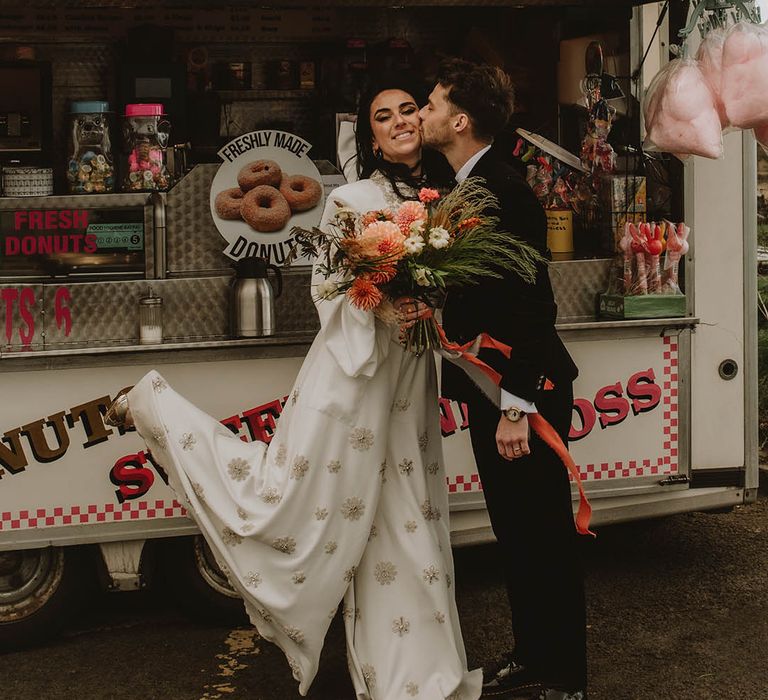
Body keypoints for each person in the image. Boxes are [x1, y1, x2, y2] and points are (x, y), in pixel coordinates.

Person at [104, 77, 482, 700]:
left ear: (427, 119)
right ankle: (158, 410)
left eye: (409, 110)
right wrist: (382, 312)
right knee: (293, 502)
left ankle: (409, 675)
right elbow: (328, 287)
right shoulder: (351, 199)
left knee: (407, 512)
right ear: (374, 138)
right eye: (383, 117)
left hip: (410, 374)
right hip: (355, 372)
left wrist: (431, 310)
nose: (400, 122)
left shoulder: (449, 197)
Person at [419, 59, 586, 700]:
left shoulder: (505, 189)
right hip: (492, 388)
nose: (423, 114)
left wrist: (516, 405)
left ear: (460, 120)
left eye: (432, 105)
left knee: (544, 533)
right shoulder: (463, 183)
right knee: (514, 531)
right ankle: (532, 652)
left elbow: (532, 308)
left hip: (525, 390)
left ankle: (567, 675)